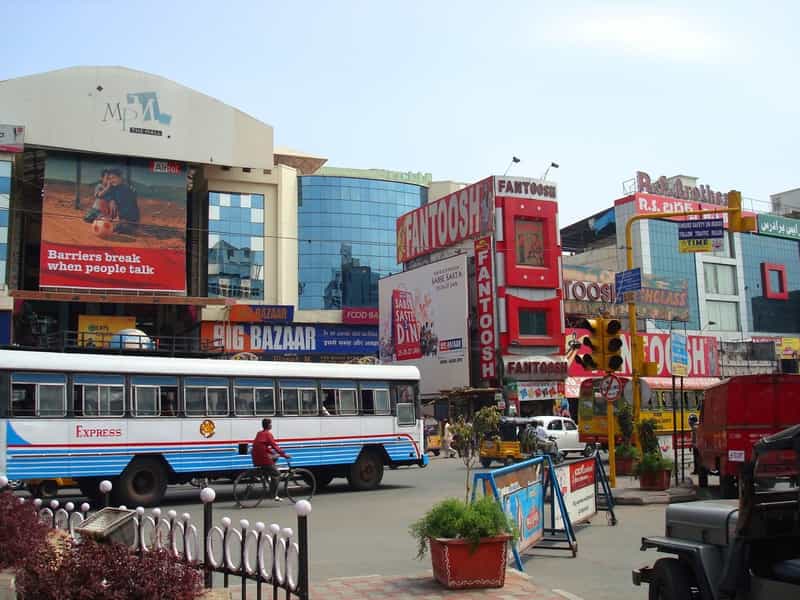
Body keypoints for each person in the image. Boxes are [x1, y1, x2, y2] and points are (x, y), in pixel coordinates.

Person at [252, 418, 291, 501]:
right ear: (268, 425)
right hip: (263, 458)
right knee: (277, 474)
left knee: (275, 457)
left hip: (256, 457)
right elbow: (275, 446)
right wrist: (284, 455)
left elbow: (263, 447)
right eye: (271, 423)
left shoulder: (259, 433)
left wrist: (273, 453)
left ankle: (267, 476)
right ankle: (273, 495)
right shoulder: (268, 434)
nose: (271, 425)